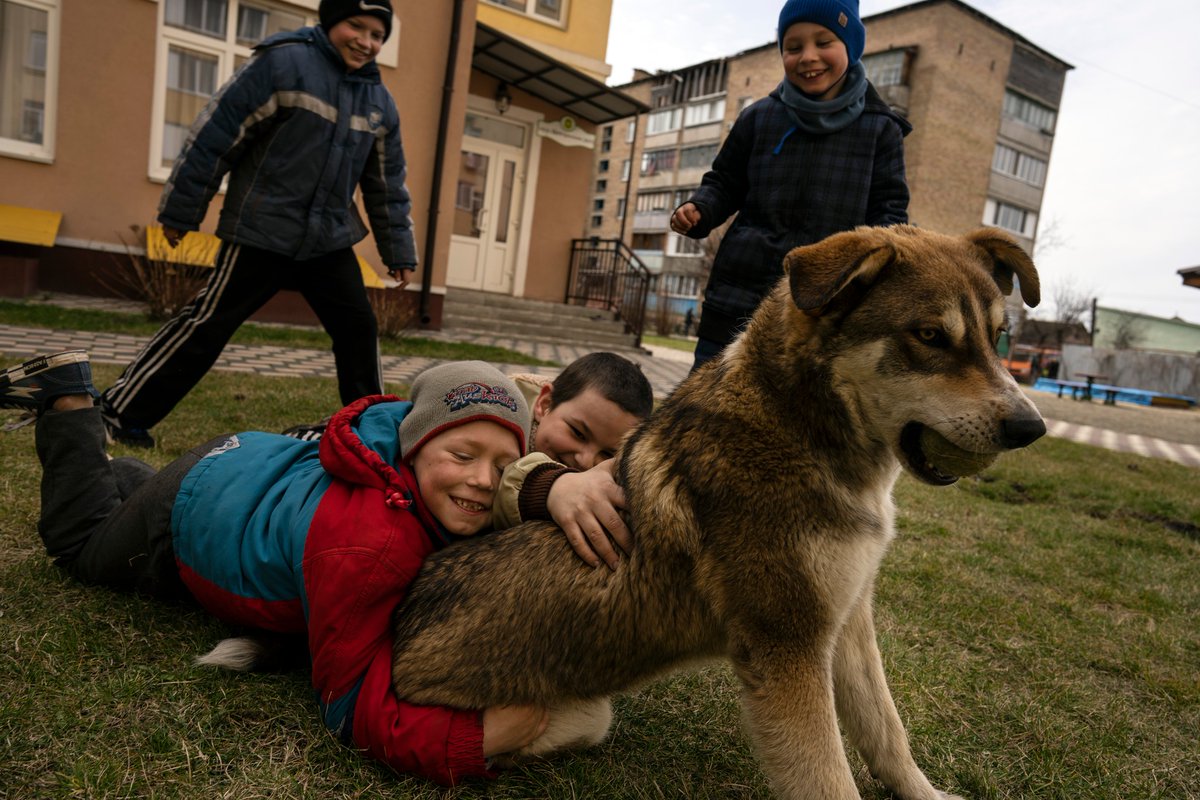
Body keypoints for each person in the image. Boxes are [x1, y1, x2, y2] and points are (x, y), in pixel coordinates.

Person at [1, 350, 549, 784]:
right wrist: (474, 740)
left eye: (503, 466)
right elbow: (350, 703)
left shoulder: (408, 463)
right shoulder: (367, 548)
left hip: (245, 468)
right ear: (414, 446)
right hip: (191, 512)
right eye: (462, 455)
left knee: (129, 511)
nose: (482, 479)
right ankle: (68, 401)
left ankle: (124, 482)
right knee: (79, 547)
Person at [99, 0, 416, 449]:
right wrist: (181, 212)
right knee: (208, 322)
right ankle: (119, 412)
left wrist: (398, 250)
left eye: (378, 35)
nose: (366, 42)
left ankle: (372, 433)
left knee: (358, 330)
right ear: (330, 22)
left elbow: (386, 185)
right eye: (356, 27)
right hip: (262, 229)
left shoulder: (380, 102)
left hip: (327, 238)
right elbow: (216, 136)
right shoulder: (284, 64)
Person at [670, 0, 911, 370]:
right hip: (740, 291)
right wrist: (699, 209)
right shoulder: (758, 118)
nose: (808, 57)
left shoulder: (880, 129)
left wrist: (880, 273)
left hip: (827, 299)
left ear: (852, 46)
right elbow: (724, 182)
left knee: (802, 407)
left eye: (824, 42)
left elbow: (890, 212)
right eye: (793, 47)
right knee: (709, 393)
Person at [283, 351, 655, 570]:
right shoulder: (488, 413)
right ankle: (307, 435)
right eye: (577, 432)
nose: (585, 459)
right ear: (543, 404)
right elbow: (516, 475)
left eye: (607, 454)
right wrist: (558, 487)